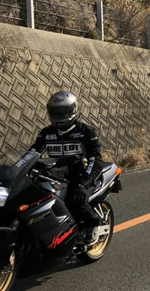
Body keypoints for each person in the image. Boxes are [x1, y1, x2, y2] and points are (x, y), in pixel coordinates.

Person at [29, 91, 104, 245]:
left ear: (73, 110)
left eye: (63, 111)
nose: (59, 115)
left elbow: (95, 158)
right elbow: (32, 154)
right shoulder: (46, 133)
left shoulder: (85, 132)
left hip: (78, 173)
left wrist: (86, 180)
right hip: (53, 174)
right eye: (55, 111)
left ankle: (93, 224)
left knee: (76, 196)